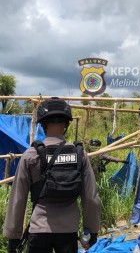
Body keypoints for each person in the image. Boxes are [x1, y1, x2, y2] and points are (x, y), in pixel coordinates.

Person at [3, 97, 101, 253]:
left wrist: (13, 237)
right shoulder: (79, 155)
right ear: (66, 124)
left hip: (39, 230)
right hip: (68, 233)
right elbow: (91, 198)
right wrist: (92, 230)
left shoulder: (31, 155)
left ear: (43, 124)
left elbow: (18, 199)